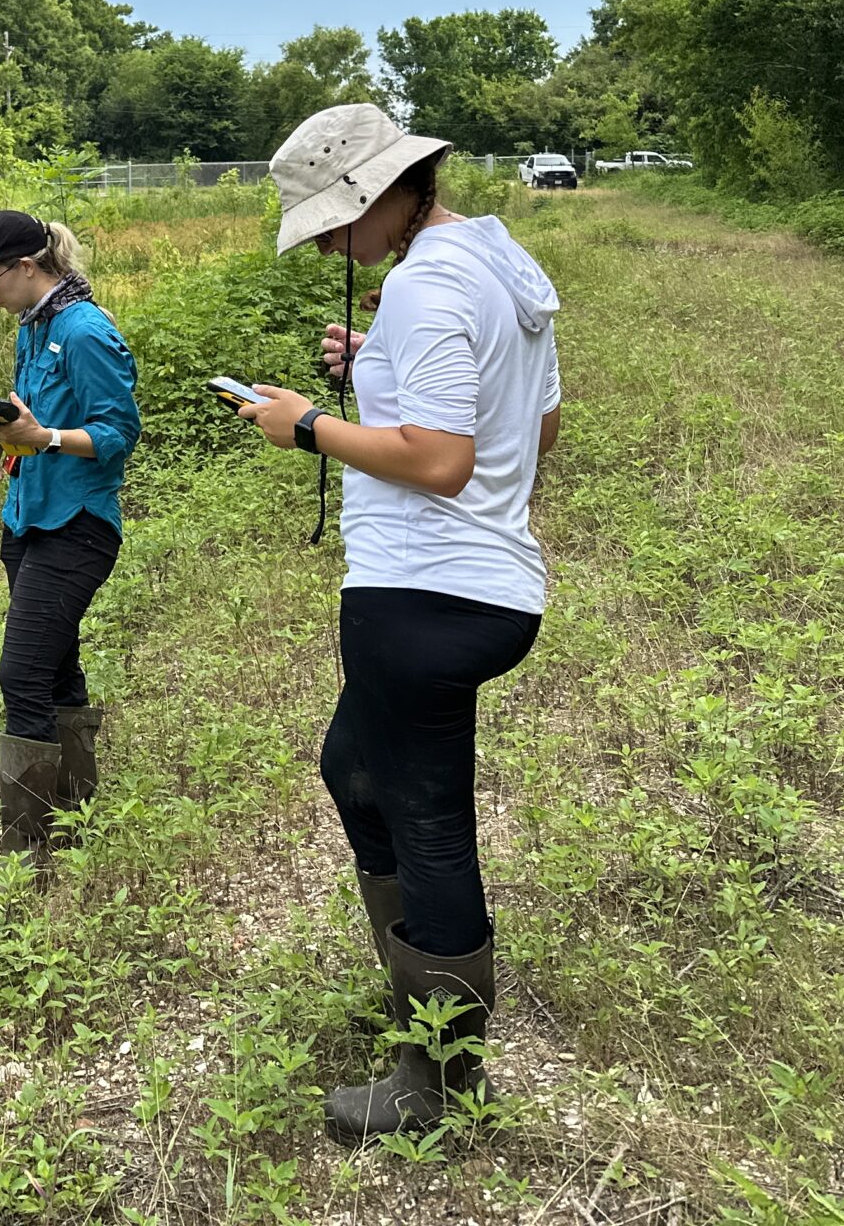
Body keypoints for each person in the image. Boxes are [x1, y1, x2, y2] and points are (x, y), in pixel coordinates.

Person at [236, 104, 561, 1144]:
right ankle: (416, 994)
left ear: (374, 193)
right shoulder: (499, 260)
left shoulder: (425, 281)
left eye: (328, 224)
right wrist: (378, 372)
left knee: (428, 827)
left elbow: (440, 460)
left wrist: (307, 425)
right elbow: (536, 425)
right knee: (354, 769)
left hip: (421, 594)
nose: (324, 246)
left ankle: (440, 1080)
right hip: (483, 584)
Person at [0, 209, 141, 860]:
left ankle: (28, 852)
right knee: (54, 666)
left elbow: (118, 434)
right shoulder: (34, 326)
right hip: (27, 519)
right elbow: (35, 416)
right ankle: (77, 819)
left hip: (76, 526)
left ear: (27, 267)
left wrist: (45, 438)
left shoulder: (85, 331)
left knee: (21, 673)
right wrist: (9, 440)